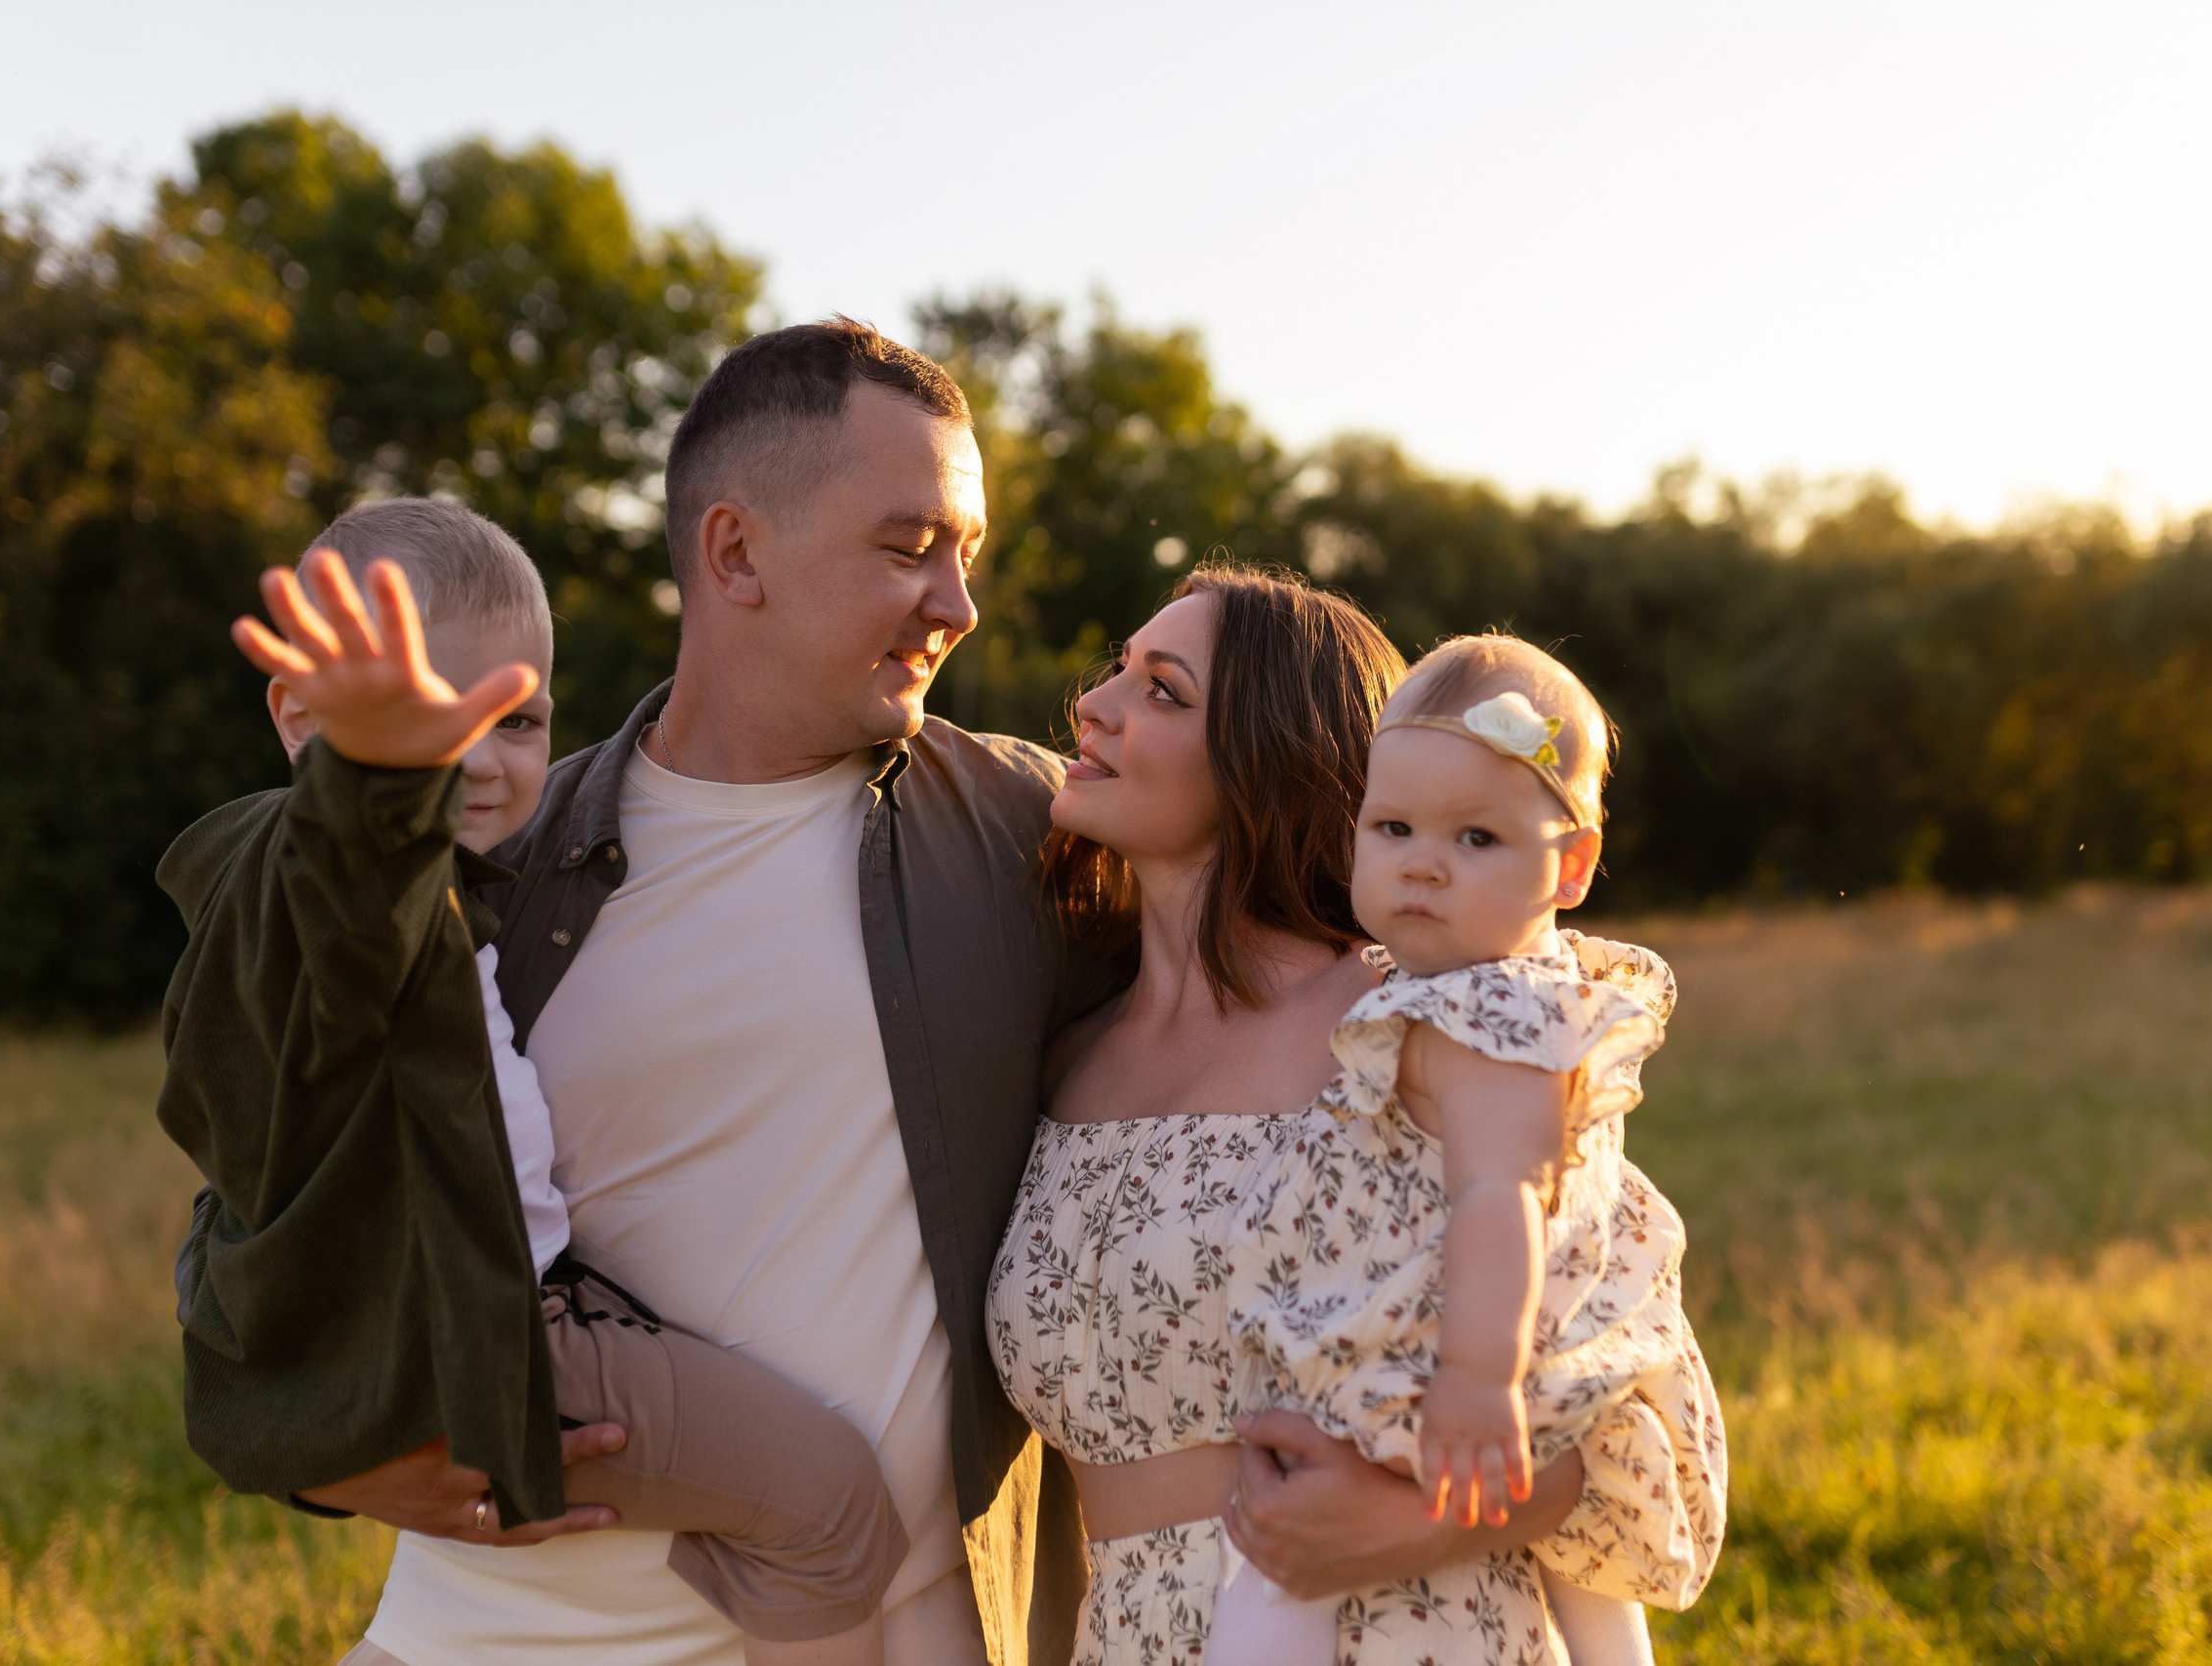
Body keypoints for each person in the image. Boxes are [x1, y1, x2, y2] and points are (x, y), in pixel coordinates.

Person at [257, 321, 1504, 1666]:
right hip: (498, 1636)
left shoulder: (1027, 834)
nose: (960, 603)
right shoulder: (503, 858)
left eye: (968, 550)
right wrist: (318, 1451)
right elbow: (268, 1192)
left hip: (893, 1627)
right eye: (912, 545)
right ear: (736, 553)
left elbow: (1322, 933)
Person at [159, 497, 908, 1666]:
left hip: (485, 1331)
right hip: (481, 1349)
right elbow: (352, 899)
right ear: (300, 718)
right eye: (421, 721)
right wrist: (374, 789)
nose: (479, 760)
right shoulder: (316, 890)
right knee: (832, 1506)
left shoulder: (479, 902)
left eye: (518, 720)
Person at [988, 570, 1709, 1666]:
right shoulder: (1059, 1057)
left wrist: (1413, 1519)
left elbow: (1620, 1393)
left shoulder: (1411, 1028)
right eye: (1114, 674)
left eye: (1165, 691)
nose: (1094, 706)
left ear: (1270, 756)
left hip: (1410, 1629)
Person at [1221, 632, 1730, 1666]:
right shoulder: (1518, 996)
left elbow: (1502, 1191)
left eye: (1477, 839)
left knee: (1273, 1581)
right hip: (1558, 1353)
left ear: (1571, 865)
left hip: (1458, 1349)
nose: (1422, 862)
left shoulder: (1483, 1017)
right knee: (1588, 1595)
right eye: (1394, 826)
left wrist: (1475, 1375)